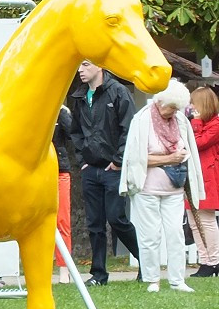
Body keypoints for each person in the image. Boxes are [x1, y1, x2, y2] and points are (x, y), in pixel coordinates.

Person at [119, 81, 203, 293]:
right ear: (160, 101)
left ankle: (177, 280)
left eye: (177, 108)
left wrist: (180, 157)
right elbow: (136, 158)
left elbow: (188, 150)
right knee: (149, 235)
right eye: (171, 107)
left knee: (176, 233)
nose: (173, 112)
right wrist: (169, 157)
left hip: (174, 187)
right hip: (147, 188)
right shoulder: (142, 119)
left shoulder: (180, 120)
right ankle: (152, 279)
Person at [69, 60, 139, 286]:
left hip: (113, 169)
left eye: (86, 65)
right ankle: (98, 274)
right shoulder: (79, 96)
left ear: (100, 66)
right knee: (94, 224)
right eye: (79, 66)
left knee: (116, 219)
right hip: (91, 170)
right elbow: (75, 131)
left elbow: (129, 128)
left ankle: (146, 263)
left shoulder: (118, 92)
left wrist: (118, 162)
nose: (80, 70)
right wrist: (82, 160)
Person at [187, 87, 219, 277]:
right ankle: (205, 259)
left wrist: (197, 122)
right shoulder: (198, 123)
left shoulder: (215, 124)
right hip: (195, 176)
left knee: (206, 220)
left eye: (193, 103)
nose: (191, 107)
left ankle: (214, 260)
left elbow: (198, 143)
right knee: (194, 221)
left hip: (208, 176)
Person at [52, 105, 75, 284]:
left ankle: (64, 269)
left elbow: (75, 135)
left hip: (60, 171)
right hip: (37, 173)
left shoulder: (60, 112)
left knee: (62, 220)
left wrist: (65, 113)